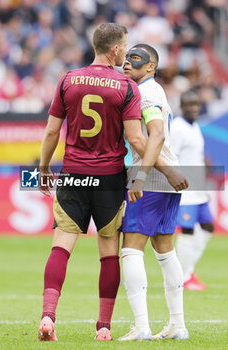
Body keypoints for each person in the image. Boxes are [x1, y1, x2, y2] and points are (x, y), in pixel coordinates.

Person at [38, 22, 148, 342]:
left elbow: (50, 131)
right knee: (108, 252)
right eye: (125, 46)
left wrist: (44, 167)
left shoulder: (68, 80)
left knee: (61, 247)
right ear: (115, 50)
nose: (127, 51)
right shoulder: (127, 87)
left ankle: (48, 316)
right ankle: (103, 327)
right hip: (110, 178)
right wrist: (159, 168)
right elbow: (135, 137)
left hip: (73, 173)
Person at [117, 44, 189, 341]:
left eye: (135, 59)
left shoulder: (145, 92)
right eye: (125, 59)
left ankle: (142, 326)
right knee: (165, 250)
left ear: (150, 67)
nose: (127, 64)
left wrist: (142, 175)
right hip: (167, 176)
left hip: (151, 176)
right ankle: (177, 325)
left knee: (131, 249)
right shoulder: (153, 89)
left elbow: (155, 135)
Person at [170, 90, 214, 290]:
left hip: (199, 188)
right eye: (189, 105)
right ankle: (185, 276)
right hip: (186, 188)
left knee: (208, 227)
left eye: (196, 105)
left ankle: (187, 269)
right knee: (187, 230)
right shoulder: (178, 128)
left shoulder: (194, 126)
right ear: (181, 106)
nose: (193, 108)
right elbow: (172, 155)